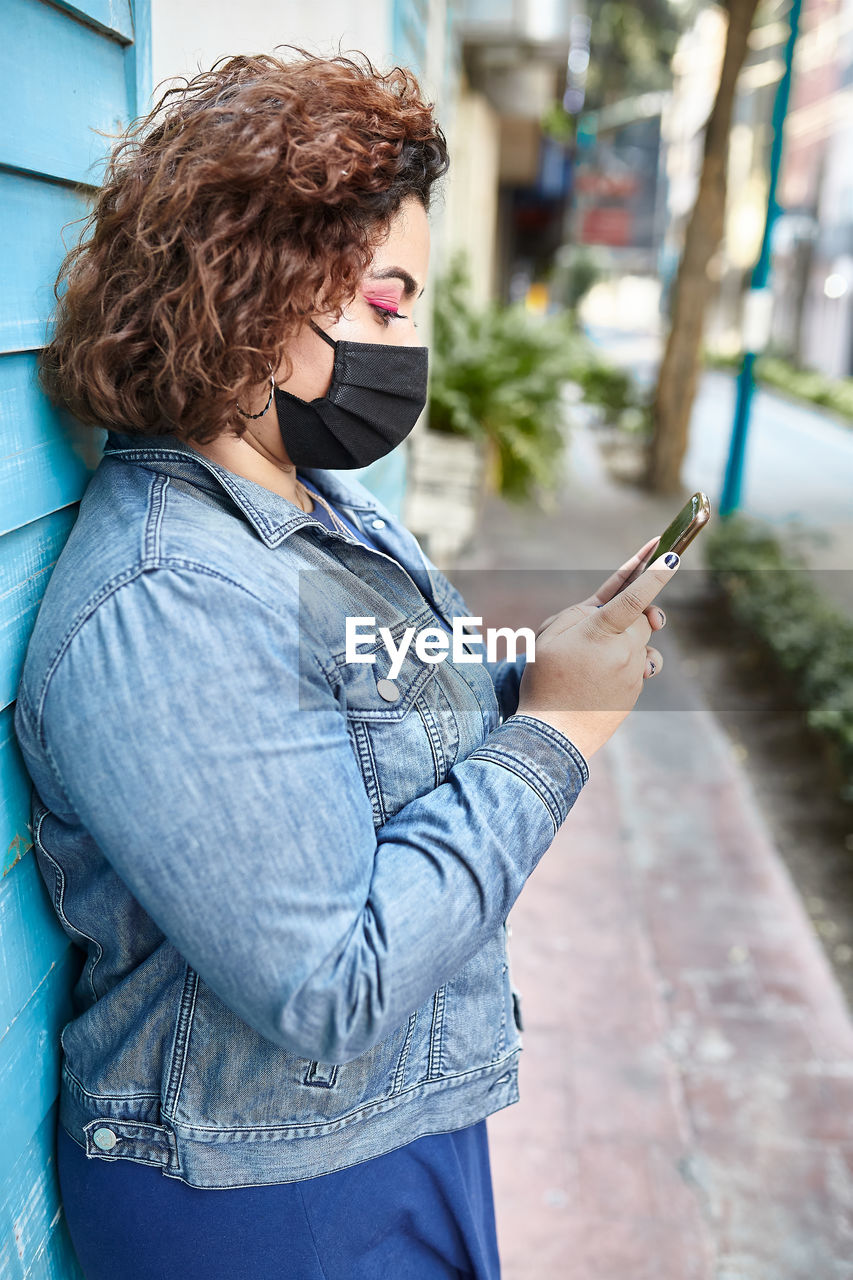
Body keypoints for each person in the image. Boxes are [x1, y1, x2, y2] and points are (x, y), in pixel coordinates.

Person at [14, 49, 676, 1280]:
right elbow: (329, 982)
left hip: (381, 1129)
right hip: (263, 1195)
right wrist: (560, 735)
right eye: (386, 300)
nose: (408, 341)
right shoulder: (171, 600)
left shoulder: (325, 510)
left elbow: (375, 752)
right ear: (255, 300)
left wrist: (544, 673)